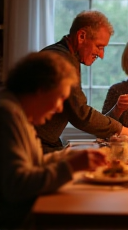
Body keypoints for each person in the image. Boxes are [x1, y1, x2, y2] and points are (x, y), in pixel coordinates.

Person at [0, 52, 107, 229]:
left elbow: (36, 164)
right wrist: (71, 166)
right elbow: (16, 186)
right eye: (60, 98)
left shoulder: (21, 114)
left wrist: (70, 156)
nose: (59, 109)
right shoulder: (7, 115)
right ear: (41, 90)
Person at [36, 10, 128, 153]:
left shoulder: (66, 55)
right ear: (81, 36)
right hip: (35, 145)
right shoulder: (62, 60)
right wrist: (120, 129)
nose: (101, 55)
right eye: (99, 46)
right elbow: (81, 114)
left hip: (47, 143)